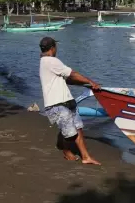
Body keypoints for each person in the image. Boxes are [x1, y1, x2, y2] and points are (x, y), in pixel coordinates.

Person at [39, 37, 101, 165]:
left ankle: (85, 157)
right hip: (56, 104)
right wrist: (91, 81)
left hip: (66, 101)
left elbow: (67, 79)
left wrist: (84, 85)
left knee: (78, 128)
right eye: (56, 46)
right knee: (70, 134)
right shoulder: (51, 61)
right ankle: (66, 152)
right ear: (52, 48)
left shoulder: (46, 63)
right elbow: (72, 73)